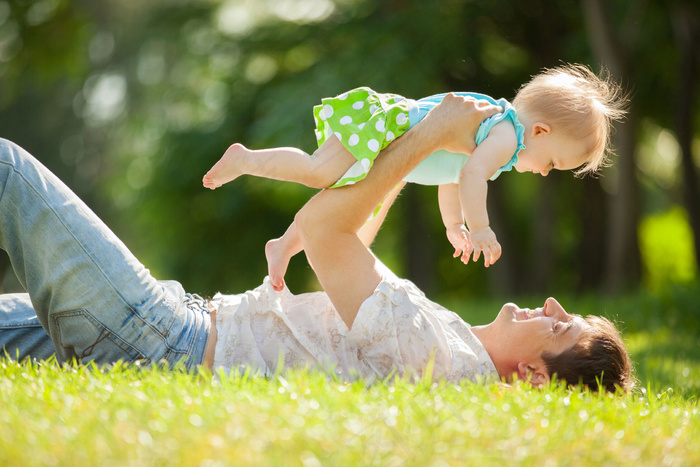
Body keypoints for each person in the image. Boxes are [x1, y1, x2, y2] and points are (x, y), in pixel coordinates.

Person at [0, 94, 633, 393]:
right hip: (178, 321)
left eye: (559, 330)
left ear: (533, 381)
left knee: (9, 171)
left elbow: (328, 232)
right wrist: (404, 163)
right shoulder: (451, 343)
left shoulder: (446, 359)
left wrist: (426, 136)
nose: (550, 305)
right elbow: (350, 248)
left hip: (162, 340)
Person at [203, 64, 627, 292]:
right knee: (320, 173)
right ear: (540, 132)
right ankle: (246, 160)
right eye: (551, 164)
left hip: (392, 139)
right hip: (387, 128)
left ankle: (283, 247)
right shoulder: (505, 134)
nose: (543, 173)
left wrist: (452, 224)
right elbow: (473, 174)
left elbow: (454, 176)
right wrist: (479, 228)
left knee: (344, 193)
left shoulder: (498, 139)